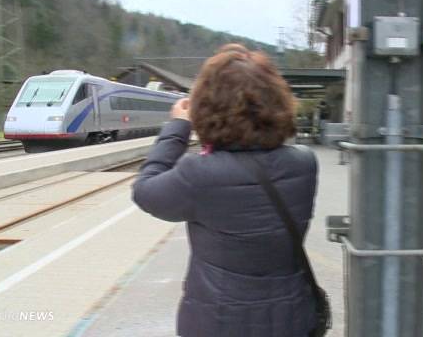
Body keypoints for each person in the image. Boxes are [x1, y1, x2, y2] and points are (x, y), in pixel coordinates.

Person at [132, 43, 318, 336]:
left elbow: (145, 190)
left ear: (207, 110)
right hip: (292, 317)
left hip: (219, 323)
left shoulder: (200, 174)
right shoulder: (305, 163)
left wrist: (178, 126)